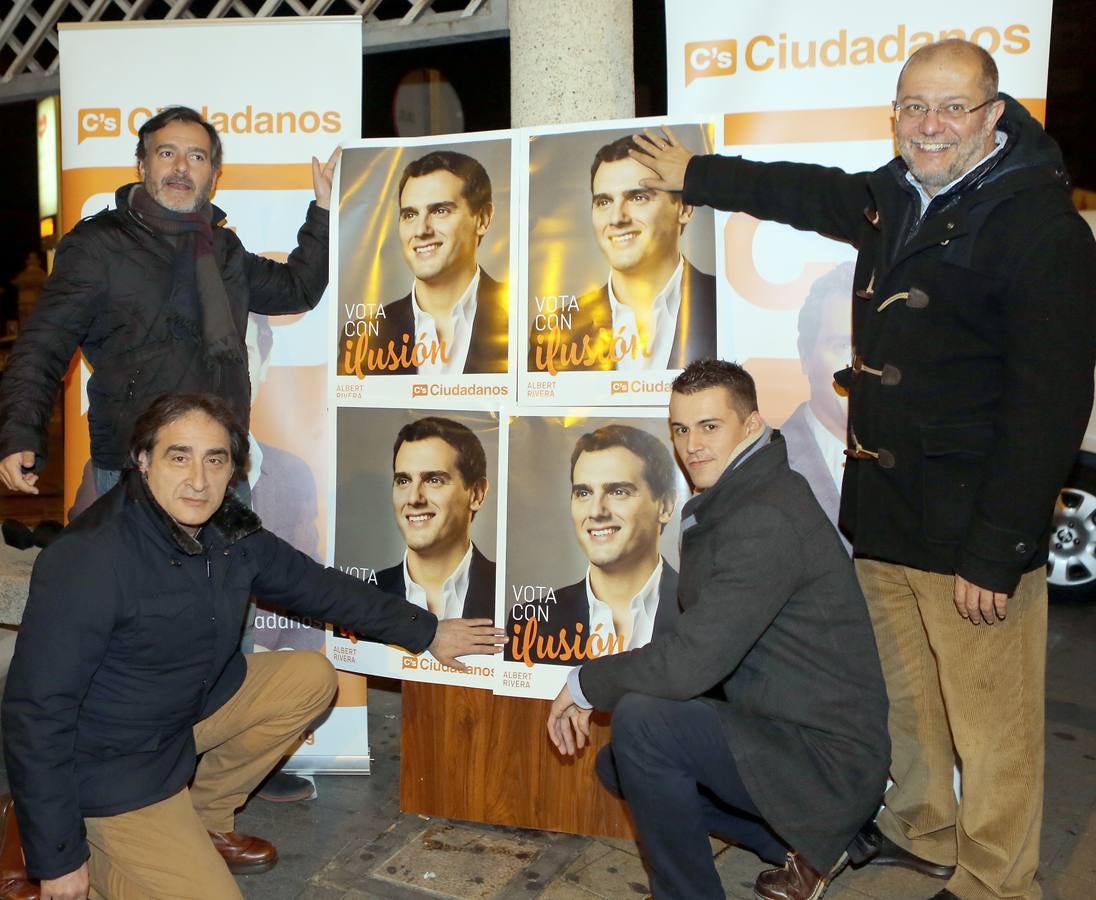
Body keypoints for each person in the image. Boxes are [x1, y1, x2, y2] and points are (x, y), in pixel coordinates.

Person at [630, 39, 1096, 900]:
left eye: (952, 107)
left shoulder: (1040, 225)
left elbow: (1051, 409)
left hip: (971, 531)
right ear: (895, 115)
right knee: (907, 700)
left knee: (992, 721)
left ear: (993, 115)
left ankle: (996, 880)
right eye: (914, 106)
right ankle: (922, 826)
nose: (930, 124)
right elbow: (808, 192)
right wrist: (699, 175)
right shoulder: (897, 196)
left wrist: (999, 550)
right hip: (885, 515)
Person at [0, 393, 503, 899]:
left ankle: (206, 820)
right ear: (143, 460)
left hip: (182, 712)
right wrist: (58, 859)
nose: (198, 480)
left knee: (309, 678)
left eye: (215, 460)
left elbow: (314, 584)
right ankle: (49, 835)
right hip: (110, 767)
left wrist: (426, 630)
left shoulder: (227, 527)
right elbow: (37, 712)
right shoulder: (88, 558)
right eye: (179, 457)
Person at [547, 360, 889, 900]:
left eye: (710, 426)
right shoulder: (745, 495)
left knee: (643, 727)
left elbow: (691, 662)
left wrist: (585, 682)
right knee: (621, 764)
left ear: (751, 425)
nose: (692, 446)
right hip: (784, 728)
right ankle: (810, 845)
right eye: (681, 429)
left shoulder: (764, 517)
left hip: (828, 761)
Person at [0, 105, 338, 499]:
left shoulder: (224, 249)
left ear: (213, 174)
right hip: (136, 467)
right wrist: (19, 433)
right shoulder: (98, 245)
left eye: (196, 157)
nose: (181, 167)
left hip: (220, 464)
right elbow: (43, 345)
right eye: (166, 153)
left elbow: (297, 289)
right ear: (142, 166)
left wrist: (324, 209)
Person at [529, 135, 716, 373]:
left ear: (685, 209)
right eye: (604, 202)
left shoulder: (725, 304)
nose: (617, 218)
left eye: (638, 198)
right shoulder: (553, 333)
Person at [506, 424, 680, 665]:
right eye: (583, 493)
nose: (596, 511)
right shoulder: (530, 623)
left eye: (618, 491)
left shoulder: (703, 612)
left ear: (666, 506)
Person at [349, 150, 508, 375]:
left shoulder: (523, 320)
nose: (421, 230)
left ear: (482, 219)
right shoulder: (363, 338)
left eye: (440, 211)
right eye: (410, 215)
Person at [374, 416, 496, 620]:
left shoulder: (508, 596)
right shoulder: (366, 596)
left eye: (434, 480)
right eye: (403, 480)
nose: (414, 498)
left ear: (476, 494)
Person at [781, 262, 854, 550]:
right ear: (805, 356)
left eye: (871, 349)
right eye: (841, 347)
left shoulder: (917, 456)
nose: (857, 366)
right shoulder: (772, 459)